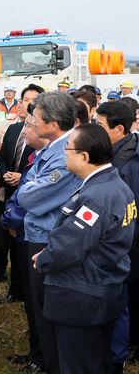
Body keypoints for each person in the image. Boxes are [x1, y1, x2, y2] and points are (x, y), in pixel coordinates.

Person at [33, 124, 136, 374]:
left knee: (79, 364)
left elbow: (69, 246)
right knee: (95, 360)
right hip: (101, 289)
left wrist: (44, 258)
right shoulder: (112, 184)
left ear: (84, 157)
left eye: (67, 149)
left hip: (82, 297)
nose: (64, 154)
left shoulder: (97, 195)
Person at [17, 91, 82, 374]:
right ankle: (44, 358)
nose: (31, 121)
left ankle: (53, 364)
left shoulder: (64, 154)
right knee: (37, 306)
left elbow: (30, 198)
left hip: (47, 239)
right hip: (37, 234)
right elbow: (28, 188)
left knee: (49, 310)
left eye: (36, 118)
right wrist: (27, 188)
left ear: (53, 124)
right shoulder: (50, 150)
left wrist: (26, 189)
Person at [2, 109, 49, 373]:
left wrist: (13, 215)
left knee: (40, 302)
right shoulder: (39, 156)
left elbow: (29, 197)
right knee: (32, 302)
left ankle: (42, 357)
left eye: (31, 125)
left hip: (38, 235)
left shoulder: (55, 158)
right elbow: (20, 195)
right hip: (24, 231)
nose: (25, 130)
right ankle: (36, 351)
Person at [95, 101, 139, 373]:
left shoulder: (130, 164)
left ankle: (116, 360)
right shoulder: (112, 153)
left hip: (122, 251)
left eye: (99, 126)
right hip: (116, 252)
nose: (94, 131)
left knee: (119, 306)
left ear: (119, 129)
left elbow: (129, 217)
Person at [0, 84, 43, 290]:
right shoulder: (13, 129)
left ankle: (18, 285)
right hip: (7, 190)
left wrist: (22, 177)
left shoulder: (41, 134)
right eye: (24, 99)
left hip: (27, 192)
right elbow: (1, 158)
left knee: (20, 241)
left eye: (32, 100)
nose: (26, 103)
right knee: (1, 235)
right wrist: (5, 174)